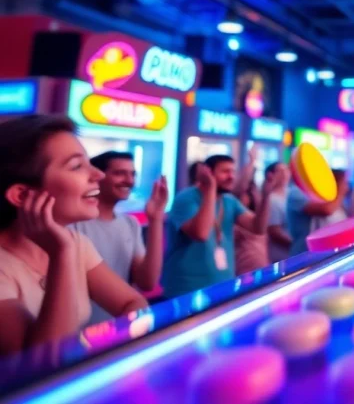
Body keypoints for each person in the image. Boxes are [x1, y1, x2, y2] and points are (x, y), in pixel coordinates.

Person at [0, 115, 148, 354]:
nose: (98, 175)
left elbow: (133, 303)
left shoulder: (77, 243)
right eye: (77, 166)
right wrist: (62, 253)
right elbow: (45, 362)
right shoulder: (65, 247)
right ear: (22, 195)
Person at [69, 151, 168, 325]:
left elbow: (147, 282)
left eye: (132, 174)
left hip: (115, 330)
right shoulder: (73, 224)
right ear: (97, 176)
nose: (129, 181)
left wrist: (156, 218)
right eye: (119, 173)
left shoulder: (130, 223)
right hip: (76, 334)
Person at [161, 154, 272, 297]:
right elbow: (201, 233)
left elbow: (258, 228)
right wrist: (210, 188)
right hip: (187, 290)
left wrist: (266, 196)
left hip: (223, 286)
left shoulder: (229, 201)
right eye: (225, 172)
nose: (231, 176)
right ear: (207, 172)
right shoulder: (186, 198)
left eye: (233, 172)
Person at [233, 151, 290, 275]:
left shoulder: (260, 208)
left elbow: (260, 228)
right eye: (281, 171)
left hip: (262, 266)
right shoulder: (236, 211)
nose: (286, 174)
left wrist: (265, 195)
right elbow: (239, 189)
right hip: (245, 270)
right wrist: (251, 162)